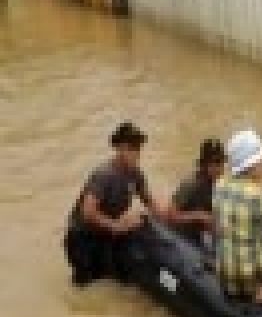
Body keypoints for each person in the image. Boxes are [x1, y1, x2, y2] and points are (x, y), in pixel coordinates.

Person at [64, 121, 166, 286]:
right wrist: (115, 225)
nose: (136, 153)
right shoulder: (104, 175)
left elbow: (150, 202)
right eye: (131, 147)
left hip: (104, 234)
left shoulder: (136, 174)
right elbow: (87, 212)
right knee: (87, 288)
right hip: (82, 238)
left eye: (138, 147)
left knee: (113, 281)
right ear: (119, 148)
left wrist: (167, 219)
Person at [213, 130, 262, 305]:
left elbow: (218, 226)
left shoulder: (219, 185)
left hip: (225, 274)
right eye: (261, 161)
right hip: (251, 280)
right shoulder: (257, 194)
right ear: (251, 165)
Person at [167, 138, 225, 247]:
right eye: (214, 163)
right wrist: (198, 215)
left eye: (220, 163)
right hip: (179, 237)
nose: (218, 168)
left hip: (198, 235)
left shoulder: (217, 184)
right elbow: (171, 215)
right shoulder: (191, 184)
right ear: (204, 164)